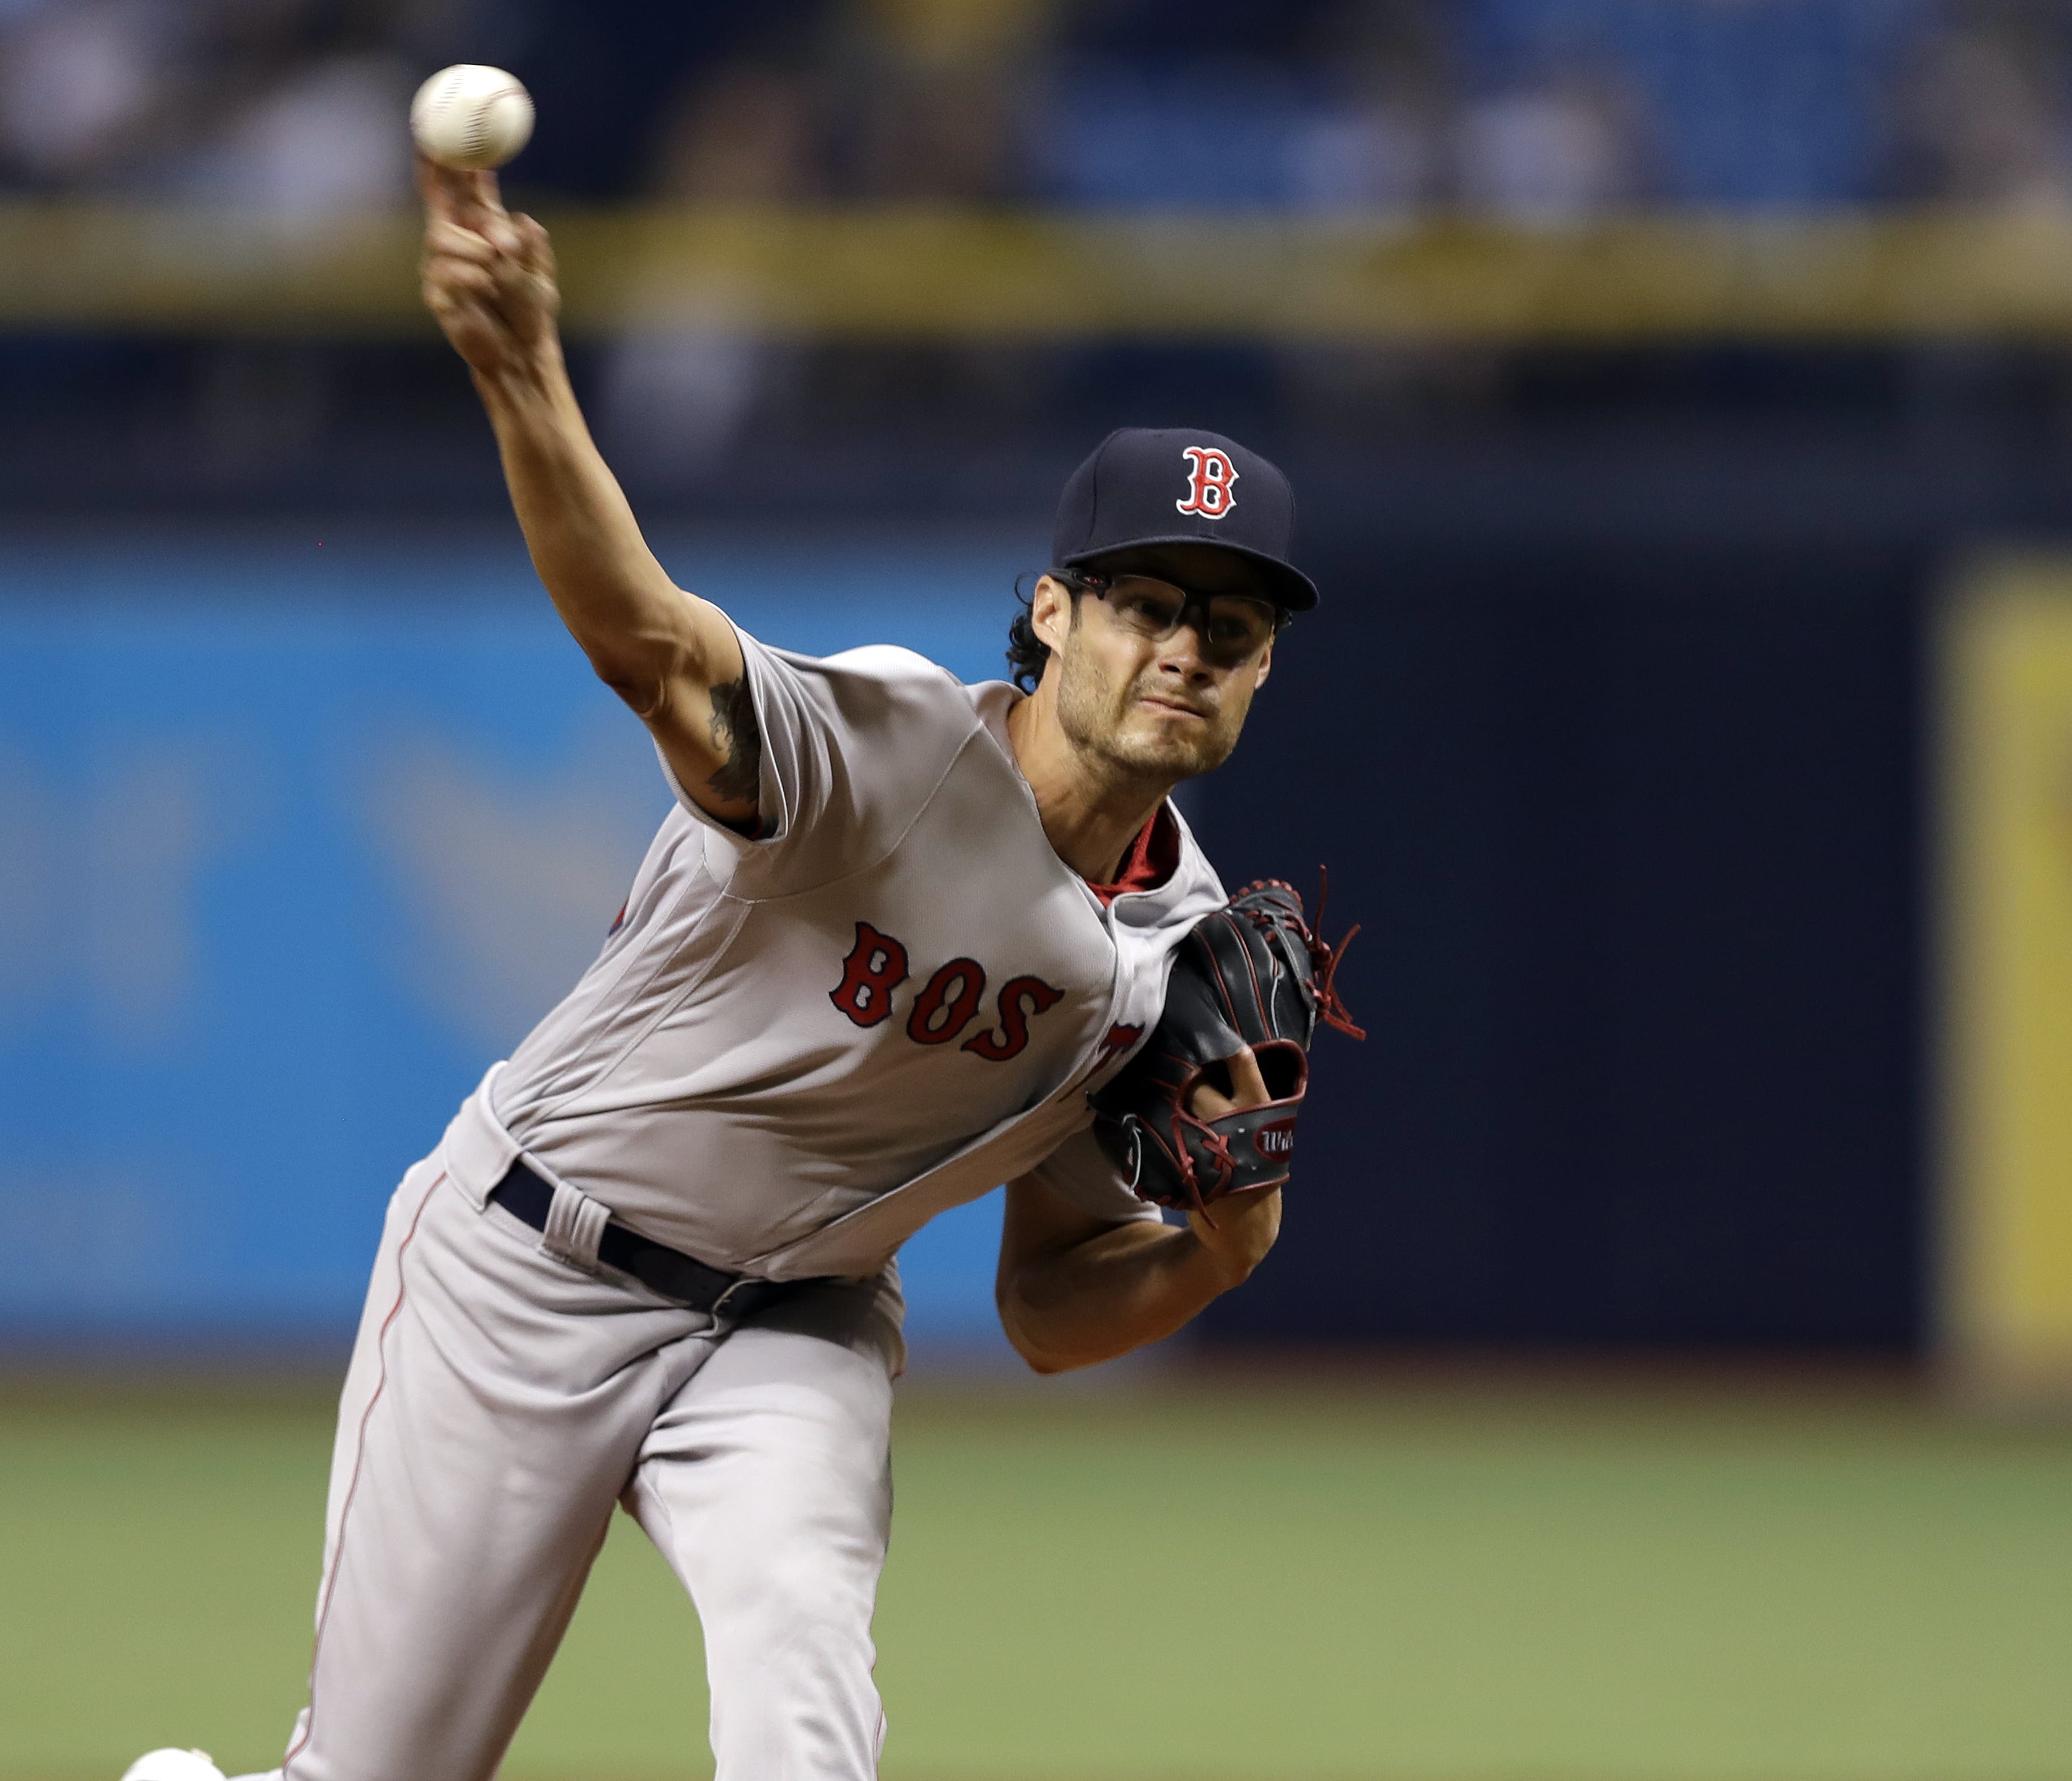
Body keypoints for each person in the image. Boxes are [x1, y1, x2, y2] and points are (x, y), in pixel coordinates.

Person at [124, 158, 1324, 1781]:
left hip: (797, 1329)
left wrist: (1219, 1251)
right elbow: (650, 639)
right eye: (1148, 604)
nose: (1186, 648)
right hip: (533, 1259)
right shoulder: (895, 743)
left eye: (1233, 628)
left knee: (803, 1718)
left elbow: (1045, 1305)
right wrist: (523, 368)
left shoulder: (1172, 956)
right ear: (1052, 611)